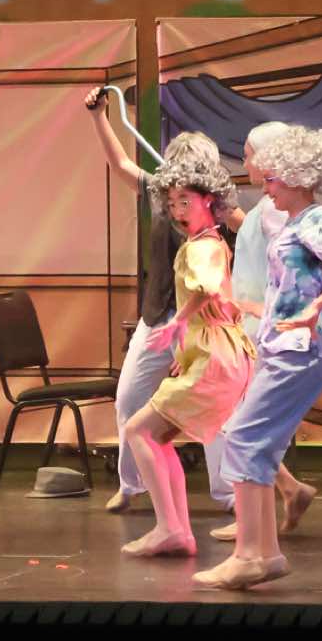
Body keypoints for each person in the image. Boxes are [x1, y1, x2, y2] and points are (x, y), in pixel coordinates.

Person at [197, 126, 322, 590]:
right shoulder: (296, 224)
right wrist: (259, 308)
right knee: (251, 443)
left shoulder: (317, 219)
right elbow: (292, 286)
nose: (266, 187)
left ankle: (251, 555)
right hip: (288, 345)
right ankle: (262, 554)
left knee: (243, 436)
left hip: (305, 349)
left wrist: (315, 308)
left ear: (298, 178)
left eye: (273, 179)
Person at [84, 90, 235, 513]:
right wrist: (99, 117)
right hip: (157, 317)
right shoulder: (159, 193)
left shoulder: (219, 211)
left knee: (215, 409)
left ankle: (228, 492)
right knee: (130, 398)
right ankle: (131, 484)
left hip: (202, 324)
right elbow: (121, 165)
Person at [120, 157, 255, 558]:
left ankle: (170, 528)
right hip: (216, 355)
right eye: (172, 203)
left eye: (186, 202)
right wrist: (188, 349)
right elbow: (220, 304)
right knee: (157, 437)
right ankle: (175, 529)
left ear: (208, 200)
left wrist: (177, 323)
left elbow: (207, 289)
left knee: (139, 431)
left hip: (217, 359)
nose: (178, 211)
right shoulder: (212, 242)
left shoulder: (202, 248)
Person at [208, 121, 317, 544]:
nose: (246, 162)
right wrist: (227, 214)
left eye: (250, 155)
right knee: (240, 422)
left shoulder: (277, 210)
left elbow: (284, 257)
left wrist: (261, 307)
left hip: (259, 328)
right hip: (253, 325)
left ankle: (257, 516)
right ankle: (288, 490)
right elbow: (253, 231)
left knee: (240, 423)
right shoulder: (266, 208)